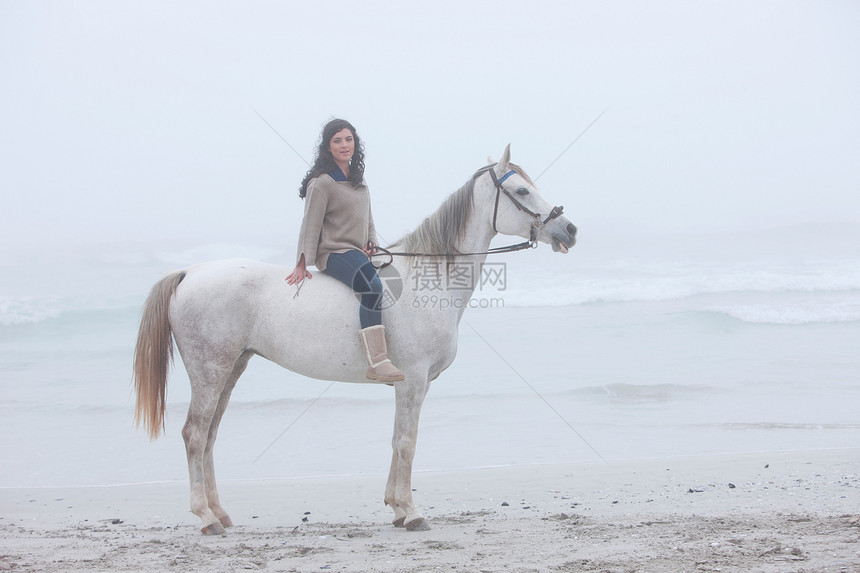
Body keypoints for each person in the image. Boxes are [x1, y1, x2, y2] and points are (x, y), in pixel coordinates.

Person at [286, 119, 404, 383]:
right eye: (337, 140)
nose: (344, 145)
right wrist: (302, 261)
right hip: (334, 253)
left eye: (348, 139)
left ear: (355, 144)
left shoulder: (359, 182)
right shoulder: (322, 183)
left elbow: (368, 220)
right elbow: (310, 225)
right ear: (328, 147)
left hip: (358, 252)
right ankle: (378, 362)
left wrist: (371, 241)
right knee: (372, 288)